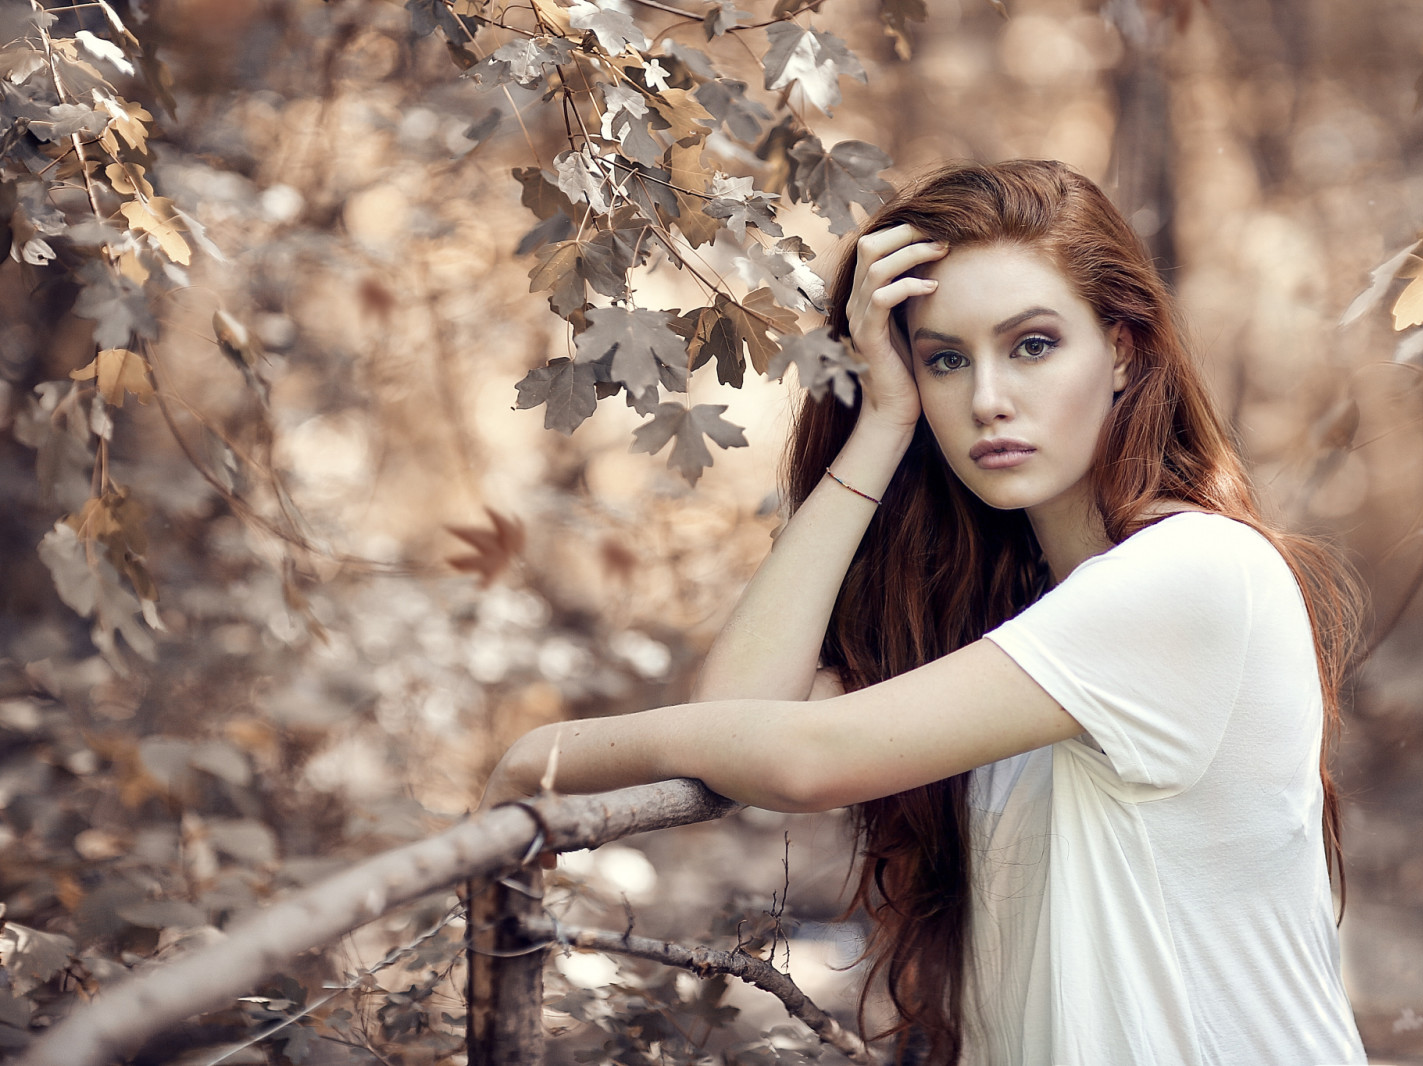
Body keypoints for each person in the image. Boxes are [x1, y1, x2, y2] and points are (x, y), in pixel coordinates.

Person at [481, 159, 1370, 1066]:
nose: (987, 399)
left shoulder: (1192, 573)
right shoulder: (1025, 620)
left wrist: (542, 760)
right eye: (945, 359)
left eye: (1032, 345)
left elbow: (800, 758)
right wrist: (881, 424)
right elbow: (750, 706)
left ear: (1124, 350)